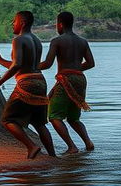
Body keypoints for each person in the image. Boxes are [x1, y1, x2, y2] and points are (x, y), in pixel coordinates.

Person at [0, 11, 56, 159]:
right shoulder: (36, 40)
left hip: (26, 83)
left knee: (7, 120)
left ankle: (31, 146)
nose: (12, 24)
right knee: (39, 123)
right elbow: (24, 65)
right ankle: (53, 156)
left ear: (22, 22)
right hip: (40, 81)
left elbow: (17, 65)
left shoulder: (18, 40)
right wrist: (0, 60)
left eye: (14, 21)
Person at [40, 11, 95, 153]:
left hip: (66, 78)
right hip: (80, 79)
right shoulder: (82, 41)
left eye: (56, 24)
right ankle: (88, 143)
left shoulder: (57, 41)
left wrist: (30, 66)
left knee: (54, 116)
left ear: (60, 24)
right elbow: (90, 63)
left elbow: (47, 64)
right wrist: (75, 69)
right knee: (73, 117)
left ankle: (71, 146)